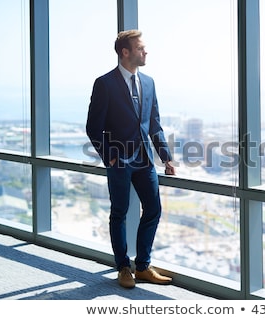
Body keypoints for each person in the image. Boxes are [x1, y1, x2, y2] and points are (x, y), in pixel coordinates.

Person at [86, 29, 176, 289]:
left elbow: (154, 124)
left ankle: (143, 266)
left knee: (154, 209)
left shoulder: (149, 82)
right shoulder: (104, 83)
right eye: (140, 48)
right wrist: (110, 157)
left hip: (145, 161)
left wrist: (166, 158)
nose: (145, 51)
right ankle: (123, 267)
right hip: (119, 162)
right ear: (125, 52)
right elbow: (93, 127)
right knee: (120, 213)